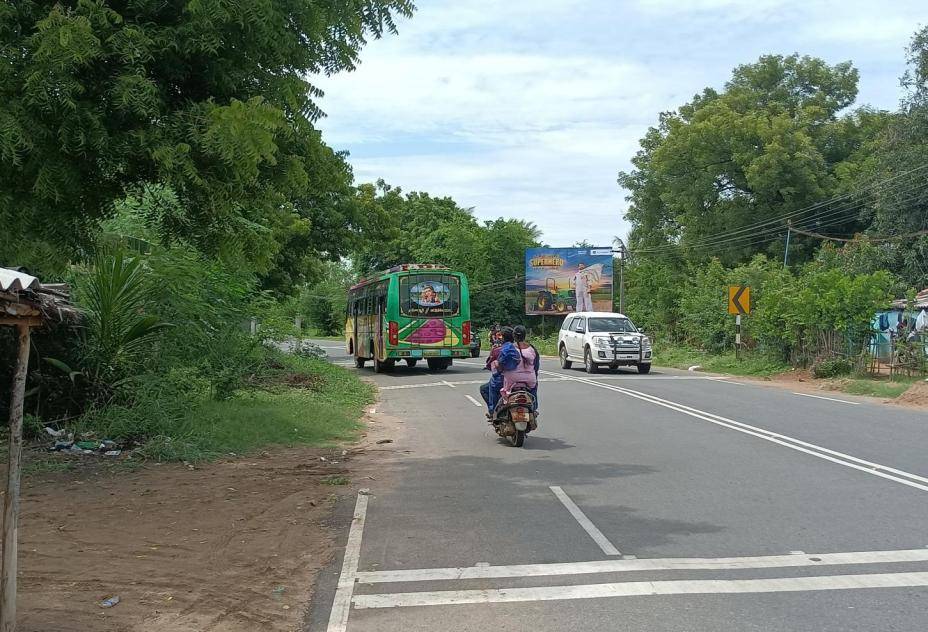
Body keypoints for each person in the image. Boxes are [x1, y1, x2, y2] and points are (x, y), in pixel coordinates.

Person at [495, 325, 539, 414]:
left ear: (513, 336)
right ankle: (533, 410)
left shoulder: (508, 348)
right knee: (533, 390)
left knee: (498, 389)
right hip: (530, 380)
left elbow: (501, 365)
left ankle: (498, 411)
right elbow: (536, 367)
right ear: (525, 335)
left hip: (511, 380)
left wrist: (497, 367)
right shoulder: (532, 349)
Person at [480, 326, 513, 416]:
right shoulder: (523, 349)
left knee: (487, 388)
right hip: (522, 380)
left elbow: (490, 365)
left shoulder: (497, 350)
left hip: (502, 380)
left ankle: (493, 411)